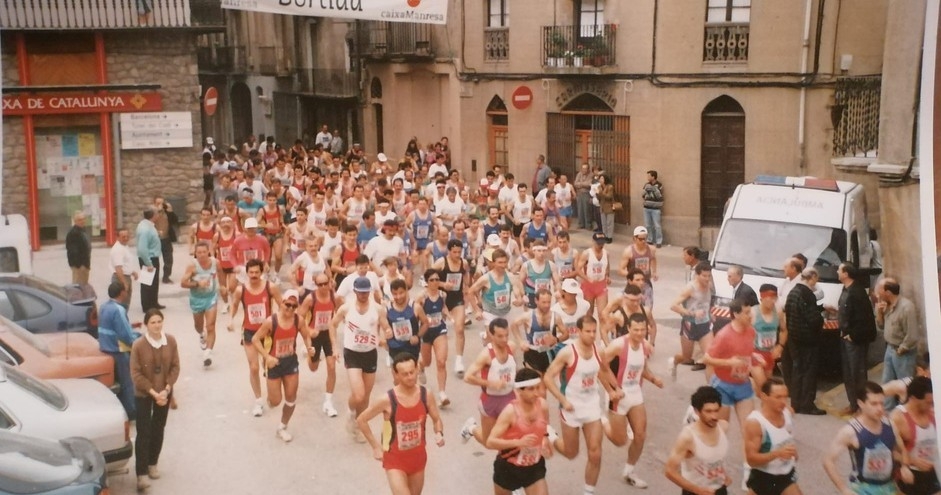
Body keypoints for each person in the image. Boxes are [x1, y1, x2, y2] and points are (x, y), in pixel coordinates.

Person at [544, 315, 621, 495]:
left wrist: (613, 389)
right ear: (578, 332)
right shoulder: (568, 352)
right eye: (588, 331)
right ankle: (552, 436)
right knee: (571, 453)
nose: (592, 335)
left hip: (592, 406)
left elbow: (602, 370)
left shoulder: (598, 350)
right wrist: (562, 401)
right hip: (571, 406)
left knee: (595, 453)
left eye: (594, 331)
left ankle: (588, 491)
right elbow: (548, 377)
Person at [357, 353, 445, 495]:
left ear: (417, 369)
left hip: (418, 458)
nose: (410, 377)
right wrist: (375, 447)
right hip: (395, 460)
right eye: (404, 374)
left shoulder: (426, 395)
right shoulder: (387, 399)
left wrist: (439, 433)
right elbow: (361, 420)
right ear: (395, 374)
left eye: (412, 372)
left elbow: (436, 419)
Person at [602, 312, 662, 488]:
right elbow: (600, 366)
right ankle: (603, 421)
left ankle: (629, 471)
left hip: (635, 392)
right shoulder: (618, 345)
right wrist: (611, 390)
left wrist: (653, 379)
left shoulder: (644, 344)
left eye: (643, 329)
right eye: (636, 329)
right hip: (618, 394)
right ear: (628, 329)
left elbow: (641, 366)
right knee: (619, 440)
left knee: (640, 435)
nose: (639, 333)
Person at [823, 381, 912, 495]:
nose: (879, 408)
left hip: (888, 487)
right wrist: (844, 489)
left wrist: (905, 467)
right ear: (861, 403)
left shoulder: (890, 425)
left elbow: (900, 449)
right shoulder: (851, 431)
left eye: (881, 403)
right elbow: (828, 460)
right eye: (874, 404)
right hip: (862, 489)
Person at [331, 276, 391, 442]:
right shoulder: (346, 308)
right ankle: (351, 414)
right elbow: (332, 325)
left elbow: (385, 325)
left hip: (370, 354)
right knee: (358, 395)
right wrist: (335, 347)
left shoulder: (378, 309)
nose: (363, 295)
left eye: (366, 292)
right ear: (355, 291)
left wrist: (387, 333)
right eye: (360, 292)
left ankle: (358, 426)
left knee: (365, 397)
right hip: (352, 353)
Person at [252, 289, 316, 442]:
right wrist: (267, 357)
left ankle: (282, 427)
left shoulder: (298, 320)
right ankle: (269, 400)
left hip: (290, 362)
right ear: (281, 303)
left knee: (291, 398)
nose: (290, 309)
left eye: (294, 306)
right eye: (288, 305)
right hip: (274, 363)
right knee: (275, 401)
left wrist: (309, 347)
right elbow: (255, 339)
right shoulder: (270, 321)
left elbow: (306, 335)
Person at [130, 309, 180, 492]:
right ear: (146, 325)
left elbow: (175, 367)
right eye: (153, 322)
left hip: (164, 392)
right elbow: (135, 373)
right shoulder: (138, 345)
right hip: (145, 393)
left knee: (158, 428)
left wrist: (166, 389)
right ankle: (141, 474)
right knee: (143, 432)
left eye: (159, 321)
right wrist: (153, 392)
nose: (157, 325)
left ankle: (153, 463)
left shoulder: (171, 341)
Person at [485, 367, 556, 495]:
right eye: (531, 389)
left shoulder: (543, 405)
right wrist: (518, 442)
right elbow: (490, 442)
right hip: (508, 468)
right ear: (519, 391)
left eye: (537, 387)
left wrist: (545, 439)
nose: (536, 393)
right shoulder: (510, 412)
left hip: (534, 467)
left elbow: (545, 426)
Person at [229, 258, 282, 417]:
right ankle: (258, 401)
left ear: (262, 272)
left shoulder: (270, 287)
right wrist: (231, 319)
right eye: (250, 272)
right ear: (247, 273)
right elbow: (235, 304)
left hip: (267, 333)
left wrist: (281, 323)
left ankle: (272, 393)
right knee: (253, 367)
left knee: (269, 366)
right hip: (250, 333)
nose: (253, 275)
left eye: (256, 272)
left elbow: (281, 304)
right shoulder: (241, 290)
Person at [664, 386, 733, 495]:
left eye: (716, 410)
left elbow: (715, 457)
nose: (714, 416)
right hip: (695, 492)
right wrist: (697, 490)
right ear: (697, 411)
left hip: (719, 489)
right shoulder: (688, 437)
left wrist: (724, 474)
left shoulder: (723, 427)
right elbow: (669, 471)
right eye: (708, 411)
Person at [460, 317, 518, 447]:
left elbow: (514, 367)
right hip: (490, 400)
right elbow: (468, 377)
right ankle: (471, 429)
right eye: (500, 336)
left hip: (509, 397)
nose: (504, 339)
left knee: (511, 436)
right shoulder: (486, 355)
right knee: (489, 442)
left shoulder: (512, 348)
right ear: (491, 335)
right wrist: (491, 384)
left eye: (506, 335)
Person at [743, 378, 801, 495]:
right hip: (764, 478)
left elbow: (787, 436)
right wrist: (777, 454)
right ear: (764, 396)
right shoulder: (756, 423)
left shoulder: (788, 412)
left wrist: (794, 453)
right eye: (778, 397)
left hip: (786, 475)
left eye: (785, 397)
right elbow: (751, 460)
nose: (783, 401)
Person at [784, 267, 826, 415]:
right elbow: (813, 319)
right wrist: (821, 317)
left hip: (794, 339)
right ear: (812, 277)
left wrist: (820, 308)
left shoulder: (793, 292)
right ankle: (807, 404)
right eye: (817, 279)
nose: (817, 282)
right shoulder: (808, 294)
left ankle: (796, 403)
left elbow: (790, 312)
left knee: (797, 372)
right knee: (809, 373)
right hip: (808, 340)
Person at [837, 263, 877, 415]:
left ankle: (863, 407)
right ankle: (853, 404)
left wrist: (852, 335)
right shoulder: (846, 289)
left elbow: (864, 319)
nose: (837, 272)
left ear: (846, 273)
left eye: (839, 270)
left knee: (858, 375)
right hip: (845, 337)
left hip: (855, 340)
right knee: (848, 374)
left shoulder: (857, 292)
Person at [299, 272, 341, 417]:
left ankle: (328, 402)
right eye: (320, 284)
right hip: (315, 334)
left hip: (327, 334)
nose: (324, 287)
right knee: (313, 367)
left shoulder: (335, 298)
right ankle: (309, 356)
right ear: (315, 285)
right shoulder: (310, 299)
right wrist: (309, 331)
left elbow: (339, 314)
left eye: (326, 283)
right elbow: (299, 317)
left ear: (330, 282)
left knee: (331, 365)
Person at [98, 281, 141, 417]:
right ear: (122, 293)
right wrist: (136, 341)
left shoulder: (104, 306)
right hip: (117, 349)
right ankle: (132, 411)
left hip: (105, 345)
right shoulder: (119, 310)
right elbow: (125, 334)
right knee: (127, 381)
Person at [876, 278, 922, 404]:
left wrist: (901, 350)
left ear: (888, 292)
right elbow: (881, 326)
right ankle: (888, 412)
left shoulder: (907, 307)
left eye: (880, 290)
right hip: (890, 349)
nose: (878, 293)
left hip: (903, 352)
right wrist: (880, 312)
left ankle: (906, 412)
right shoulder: (887, 306)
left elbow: (912, 335)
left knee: (904, 385)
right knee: (887, 383)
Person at [889, 376, 938, 495]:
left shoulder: (933, 412)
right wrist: (912, 461)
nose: (931, 406)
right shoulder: (898, 418)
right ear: (913, 398)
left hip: (934, 473)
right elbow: (888, 452)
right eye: (928, 402)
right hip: (910, 476)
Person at [669, 261, 715, 381]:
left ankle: (712, 388)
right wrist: (692, 313)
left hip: (705, 324)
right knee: (686, 357)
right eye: (704, 276)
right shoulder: (690, 288)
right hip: (690, 324)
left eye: (709, 276)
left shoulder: (709, 285)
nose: (707, 278)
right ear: (697, 275)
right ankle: (674, 361)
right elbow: (674, 305)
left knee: (710, 357)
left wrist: (710, 313)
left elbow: (706, 302)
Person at [432, 239, 470, 378]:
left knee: (459, 328)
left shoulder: (463, 262)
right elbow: (427, 277)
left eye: (459, 252)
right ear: (449, 251)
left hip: (456, 299)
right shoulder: (441, 263)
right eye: (454, 252)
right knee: (436, 332)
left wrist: (466, 287)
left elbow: (466, 274)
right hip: (441, 299)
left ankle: (459, 360)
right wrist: (442, 283)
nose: (457, 255)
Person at [415, 269, 451, 408]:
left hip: (439, 329)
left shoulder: (443, 294)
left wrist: (450, 316)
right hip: (426, 332)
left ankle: (442, 393)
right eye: (432, 280)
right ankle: (421, 367)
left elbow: (443, 307)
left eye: (437, 279)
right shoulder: (421, 297)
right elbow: (415, 312)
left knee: (441, 361)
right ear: (426, 282)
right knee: (427, 361)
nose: (435, 282)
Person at [181, 241, 219, 368]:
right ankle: (202, 335)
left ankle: (208, 353)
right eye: (199, 253)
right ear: (195, 254)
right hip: (196, 299)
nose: (202, 255)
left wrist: (224, 287)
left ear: (208, 251)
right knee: (199, 326)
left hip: (211, 297)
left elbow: (222, 275)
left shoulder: (215, 262)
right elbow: (183, 283)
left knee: (211, 326)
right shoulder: (192, 266)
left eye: (204, 252)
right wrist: (198, 284)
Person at [470, 248, 524, 326]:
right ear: (494, 263)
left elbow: (516, 291)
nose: (503, 265)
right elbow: (470, 292)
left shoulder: (510, 277)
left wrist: (519, 299)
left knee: (503, 337)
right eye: (500, 262)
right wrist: (477, 310)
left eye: (505, 262)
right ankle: (487, 335)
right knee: (493, 336)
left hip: (506, 312)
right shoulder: (486, 278)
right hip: (490, 313)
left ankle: (485, 336)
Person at [513, 290, 560, 373]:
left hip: (548, 353)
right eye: (544, 302)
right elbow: (513, 325)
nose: (547, 305)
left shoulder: (555, 316)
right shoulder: (528, 316)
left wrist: (556, 339)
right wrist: (520, 341)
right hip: (532, 352)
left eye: (549, 302)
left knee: (546, 381)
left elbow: (566, 333)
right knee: (535, 380)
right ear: (536, 301)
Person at [577, 232, 611, 321]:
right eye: (598, 243)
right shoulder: (587, 254)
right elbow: (578, 269)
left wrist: (607, 276)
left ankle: (604, 334)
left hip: (601, 285)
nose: (601, 245)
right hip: (589, 286)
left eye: (602, 243)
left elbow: (607, 266)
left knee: (603, 315)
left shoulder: (606, 253)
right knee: (589, 314)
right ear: (593, 241)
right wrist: (587, 279)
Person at [136, 207, 164, 312]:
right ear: (153, 216)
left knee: (154, 283)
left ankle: (154, 303)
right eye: (157, 214)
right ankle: (147, 306)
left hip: (153, 257)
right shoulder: (145, 229)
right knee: (147, 283)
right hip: (148, 258)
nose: (158, 215)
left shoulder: (148, 226)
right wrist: (148, 263)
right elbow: (142, 249)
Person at [110, 228, 139, 310]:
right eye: (123, 237)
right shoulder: (117, 250)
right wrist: (124, 283)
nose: (126, 238)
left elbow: (125, 264)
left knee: (126, 304)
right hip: (120, 278)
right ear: (117, 237)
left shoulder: (124, 246)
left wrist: (132, 272)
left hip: (125, 276)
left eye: (127, 236)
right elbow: (118, 268)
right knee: (121, 305)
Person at [153, 196, 176, 284]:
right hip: (155, 239)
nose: (160, 205)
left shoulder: (167, 212)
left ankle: (166, 277)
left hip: (166, 238)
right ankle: (151, 277)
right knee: (152, 259)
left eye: (162, 203)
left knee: (168, 259)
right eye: (158, 203)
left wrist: (171, 212)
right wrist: (157, 210)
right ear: (154, 204)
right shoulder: (152, 212)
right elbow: (150, 221)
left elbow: (175, 221)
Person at [65, 210, 91, 285]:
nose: (82, 221)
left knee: (84, 285)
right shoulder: (73, 233)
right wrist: (79, 265)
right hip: (79, 267)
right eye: (80, 220)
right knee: (78, 287)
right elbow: (72, 251)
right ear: (75, 221)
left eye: (83, 219)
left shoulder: (83, 231)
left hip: (85, 265)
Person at [641, 170, 664, 247]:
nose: (647, 177)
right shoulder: (646, 185)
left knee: (657, 225)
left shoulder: (659, 185)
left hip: (656, 209)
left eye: (649, 176)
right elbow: (643, 194)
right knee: (648, 225)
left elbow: (659, 196)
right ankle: (649, 239)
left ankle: (659, 241)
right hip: (647, 207)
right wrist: (647, 190)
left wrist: (654, 189)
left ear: (653, 177)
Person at [596, 174, 616, 243]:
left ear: (605, 179)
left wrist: (601, 193)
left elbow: (609, 197)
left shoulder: (610, 187)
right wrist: (597, 194)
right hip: (602, 207)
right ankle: (605, 235)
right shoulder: (599, 187)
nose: (600, 180)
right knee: (603, 223)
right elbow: (599, 198)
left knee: (609, 223)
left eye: (602, 178)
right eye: (600, 179)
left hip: (609, 207)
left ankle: (609, 237)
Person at [574, 163, 593, 230]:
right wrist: (583, 184)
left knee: (587, 209)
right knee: (580, 209)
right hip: (579, 193)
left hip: (586, 193)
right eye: (583, 168)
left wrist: (581, 184)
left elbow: (589, 184)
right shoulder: (579, 174)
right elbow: (575, 183)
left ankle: (588, 224)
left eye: (585, 168)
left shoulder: (591, 175)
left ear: (588, 169)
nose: (584, 170)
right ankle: (581, 224)